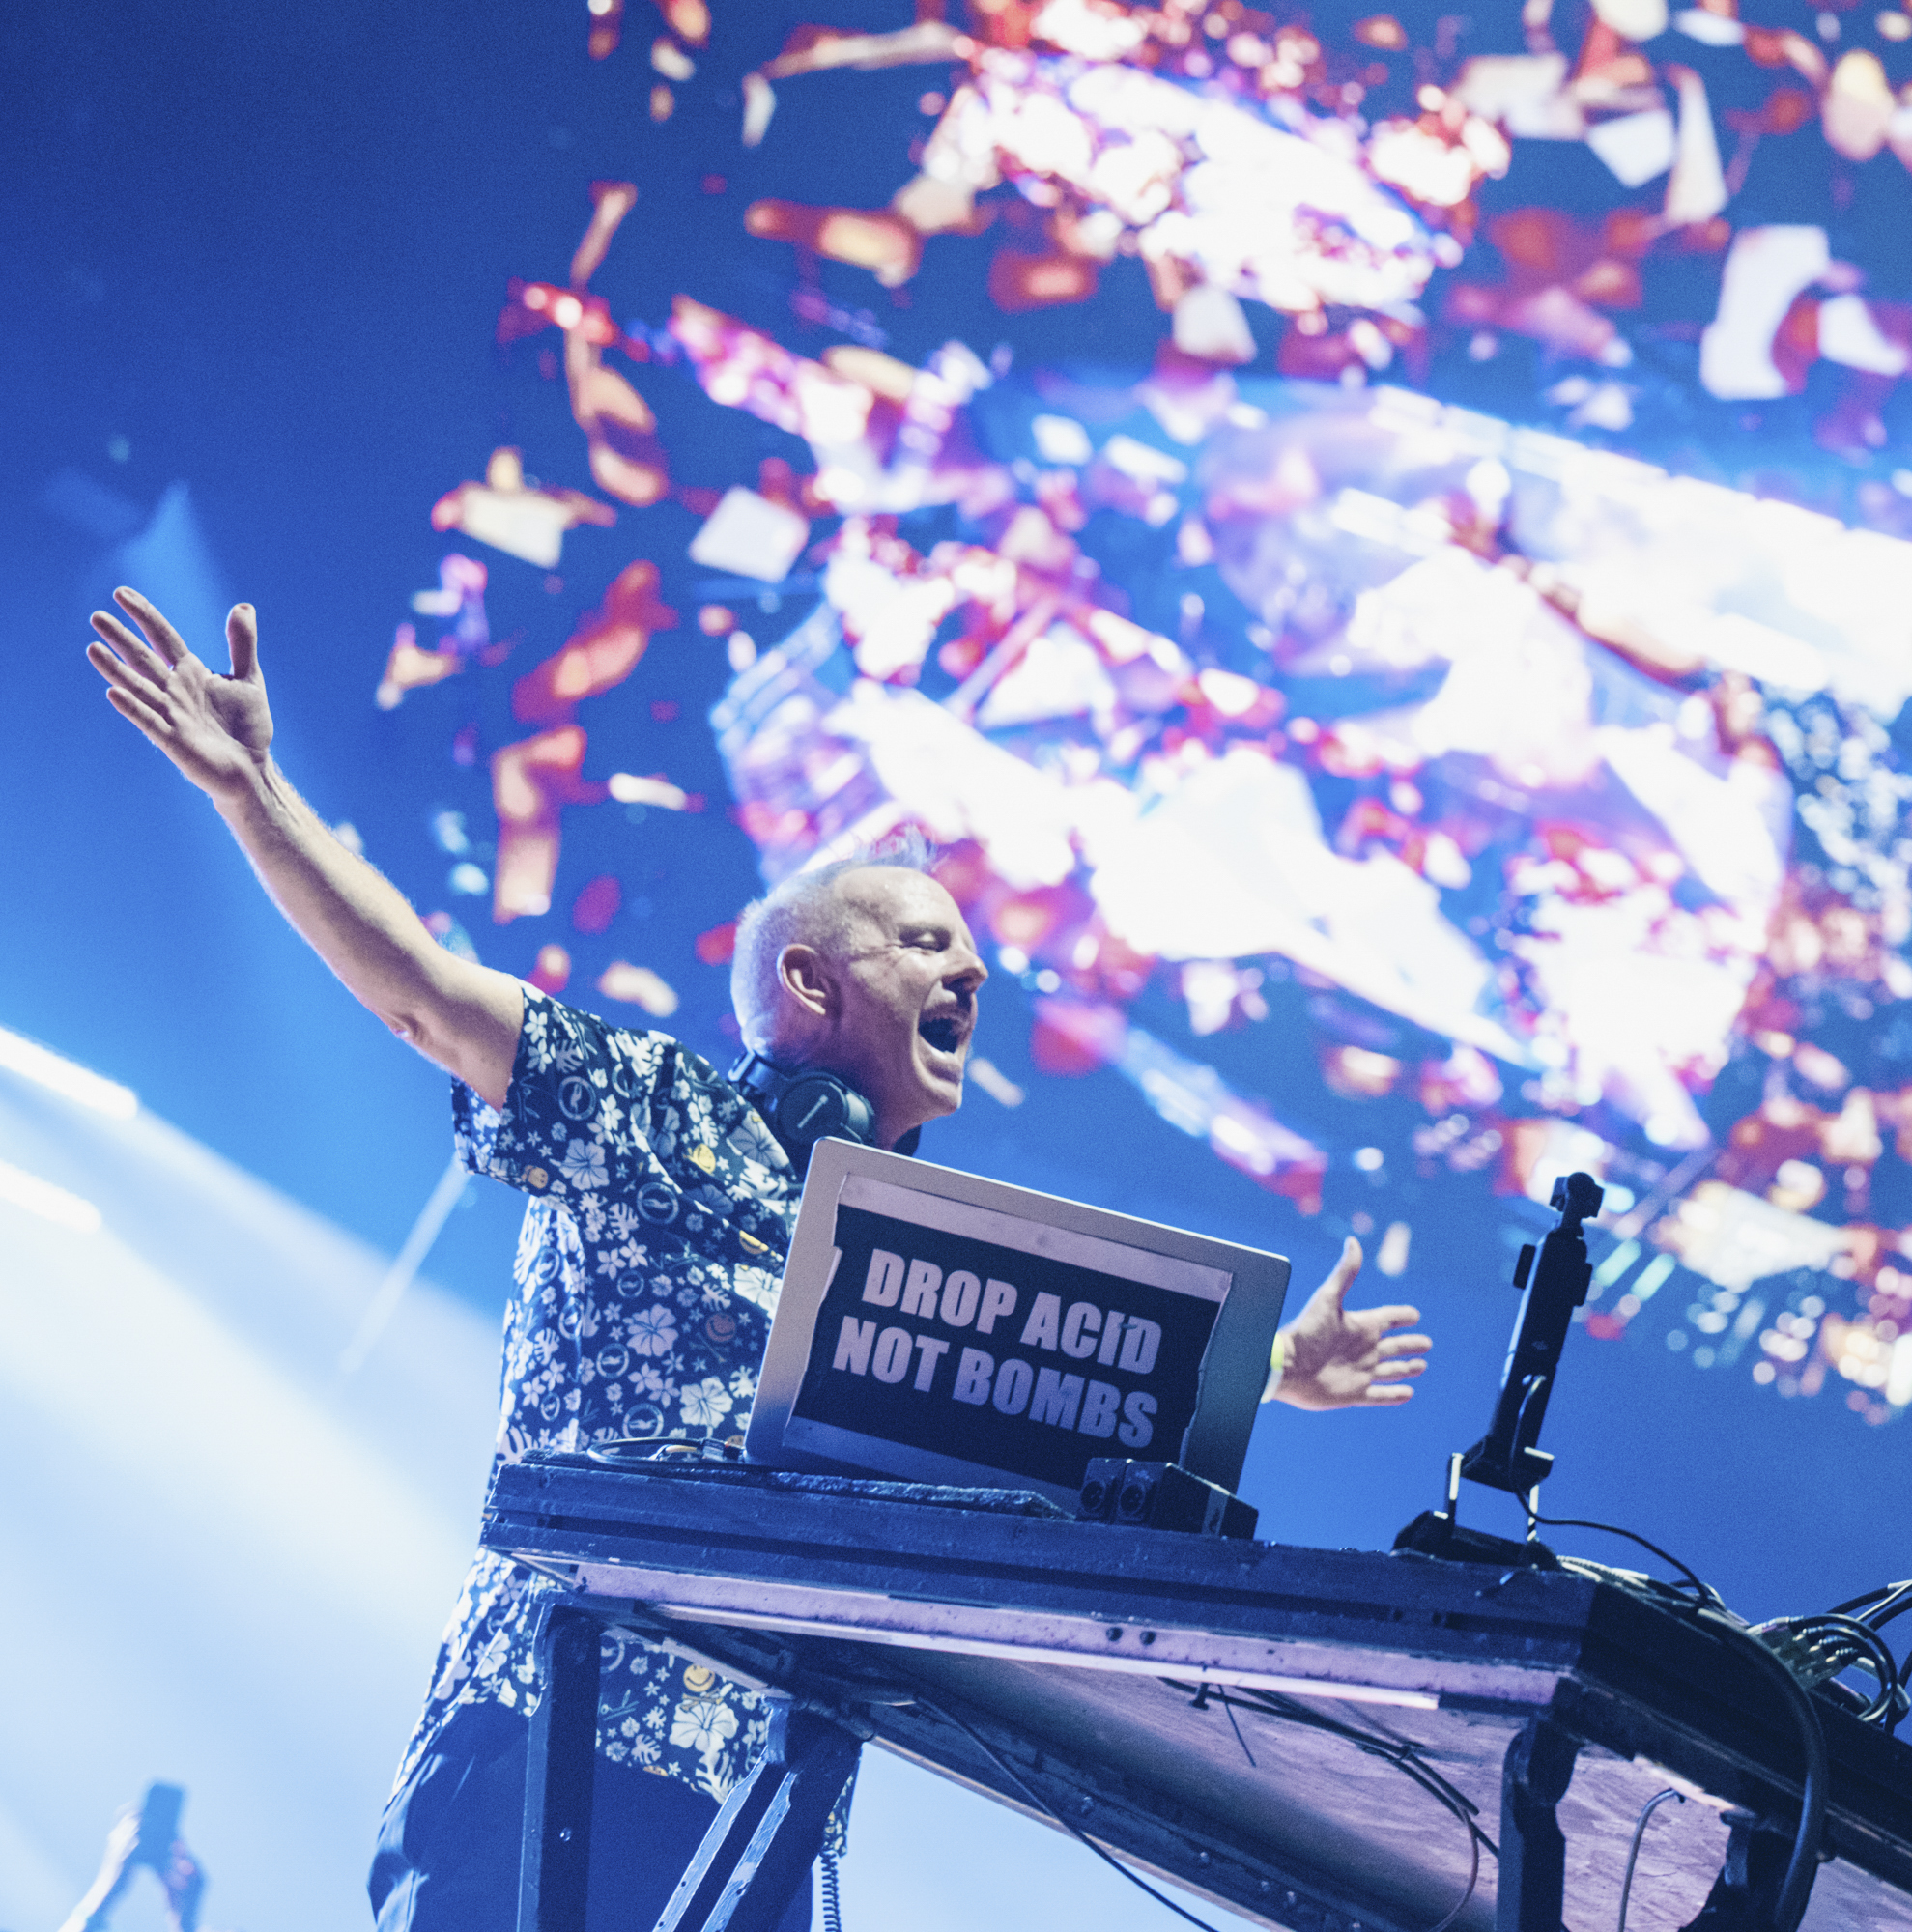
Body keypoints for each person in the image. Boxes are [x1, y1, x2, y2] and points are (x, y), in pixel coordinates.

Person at [84, 586, 1434, 1930]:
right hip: (553, 1740)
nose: (973, 977)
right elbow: (428, 1002)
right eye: (926, 944)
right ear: (807, 982)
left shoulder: (924, 1258)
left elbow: (1075, 1397)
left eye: (973, 958)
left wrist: (1265, 1367)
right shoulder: (650, 1107)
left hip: (762, 1815)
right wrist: (255, 790)